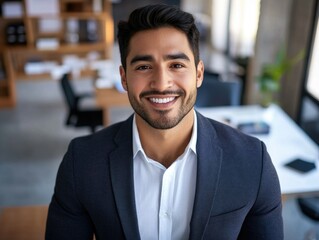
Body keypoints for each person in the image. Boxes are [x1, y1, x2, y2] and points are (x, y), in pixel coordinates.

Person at [46, 4, 283, 240]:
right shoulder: (82, 162)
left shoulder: (253, 161)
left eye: (177, 65)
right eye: (144, 67)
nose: (161, 83)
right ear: (124, 78)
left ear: (199, 74)